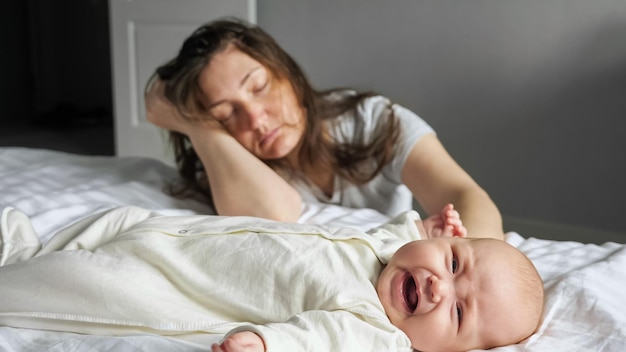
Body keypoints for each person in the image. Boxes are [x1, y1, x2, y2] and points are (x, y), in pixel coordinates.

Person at [0, 204, 543, 352]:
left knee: (73, 282)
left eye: (458, 312)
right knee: (109, 222)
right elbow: (400, 235)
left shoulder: (375, 331)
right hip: (173, 234)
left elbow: (319, 343)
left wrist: (265, 344)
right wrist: (428, 227)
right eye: (453, 263)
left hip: (164, 285)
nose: (437, 287)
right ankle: (23, 247)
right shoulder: (391, 254)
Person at [144, 18, 504, 240]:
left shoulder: (371, 121)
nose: (255, 119)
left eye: (259, 87)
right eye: (226, 115)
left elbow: (466, 196)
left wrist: (457, 263)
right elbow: (274, 214)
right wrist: (195, 123)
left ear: (288, 73)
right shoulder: (233, 166)